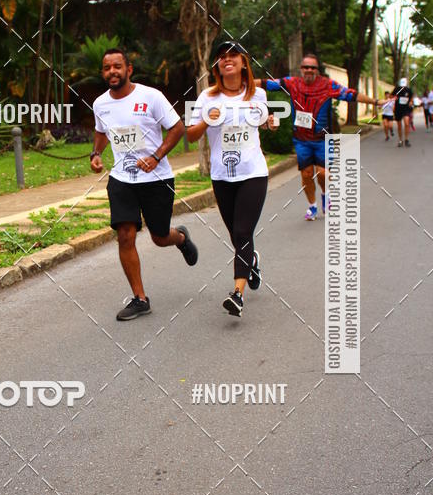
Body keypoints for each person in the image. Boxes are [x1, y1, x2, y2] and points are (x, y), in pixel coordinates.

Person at [90, 47, 198, 321]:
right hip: (122, 178)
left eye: (117, 66)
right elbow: (101, 132)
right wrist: (96, 154)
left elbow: (177, 128)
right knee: (125, 234)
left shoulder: (151, 97)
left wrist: (156, 156)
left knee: (160, 237)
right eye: (106, 68)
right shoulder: (101, 104)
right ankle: (140, 299)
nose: (112, 71)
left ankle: (180, 238)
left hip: (157, 178)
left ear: (129, 69)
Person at [186, 42, 277, 319]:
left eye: (233, 56)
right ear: (217, 66)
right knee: (236, 234)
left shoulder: (257, 94)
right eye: (222, 57)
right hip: (222, 175)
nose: (228, 60)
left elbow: (261, 120)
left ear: (243, 62)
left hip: (253, 172)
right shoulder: (207, 98)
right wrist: (207, 121)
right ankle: (252, 262)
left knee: (242, 232)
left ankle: (237, 294)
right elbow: (190, 135)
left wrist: (270, 123)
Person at [256, 54, 379, 220]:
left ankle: (325, 194)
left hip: (323, 139)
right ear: (301, 69)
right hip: (301, 139)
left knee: (322, 173)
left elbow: (351, 95)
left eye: (312, 67)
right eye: (306, 67)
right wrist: (240, 83)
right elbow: (265, 84)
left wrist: (376, 102)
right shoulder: (292, 83)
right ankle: (312, 206)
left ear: (317, 70)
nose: (309, 70)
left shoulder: (328, 85)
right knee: (306, 174)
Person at [392, 77, 413, 147]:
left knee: (407, 123)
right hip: (398, 109)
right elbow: (392, 96)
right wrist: (395, 98)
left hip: (406, 109)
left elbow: (411, 97)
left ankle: (406, 139)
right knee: (399, 125)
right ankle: (400, 140)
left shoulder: (408, 90)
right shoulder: (396, 89)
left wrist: (410, 101)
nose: (403, 87)